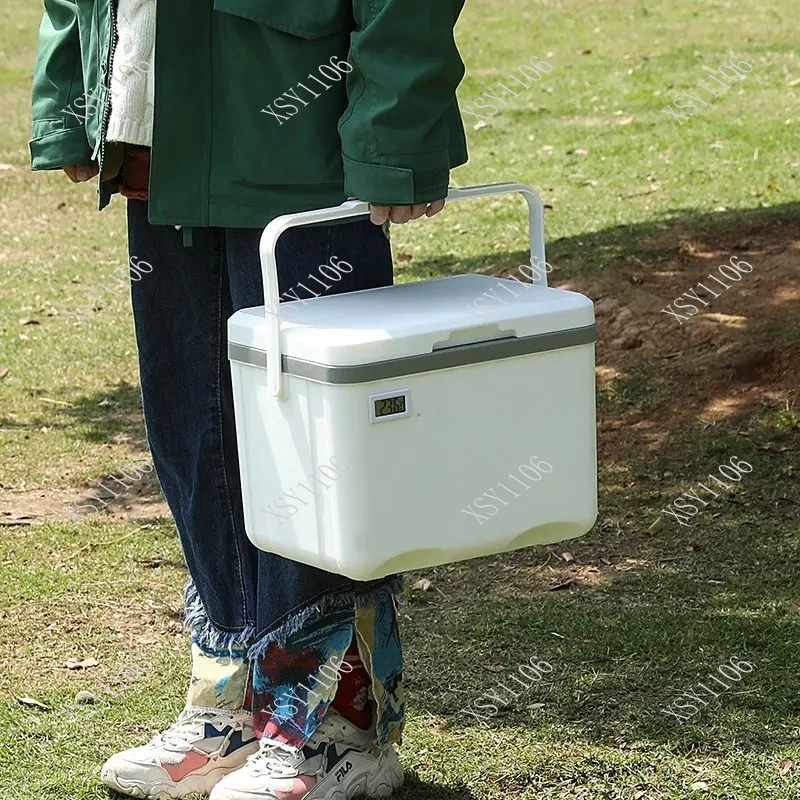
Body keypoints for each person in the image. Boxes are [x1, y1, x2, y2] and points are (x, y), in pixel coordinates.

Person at [30, 0, 467, 797]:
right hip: (158, 142)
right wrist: (70, 101)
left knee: (316, 446)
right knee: (194, 432)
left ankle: (336, 728)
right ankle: (231, 704)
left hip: (302, 147)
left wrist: (397, 136)